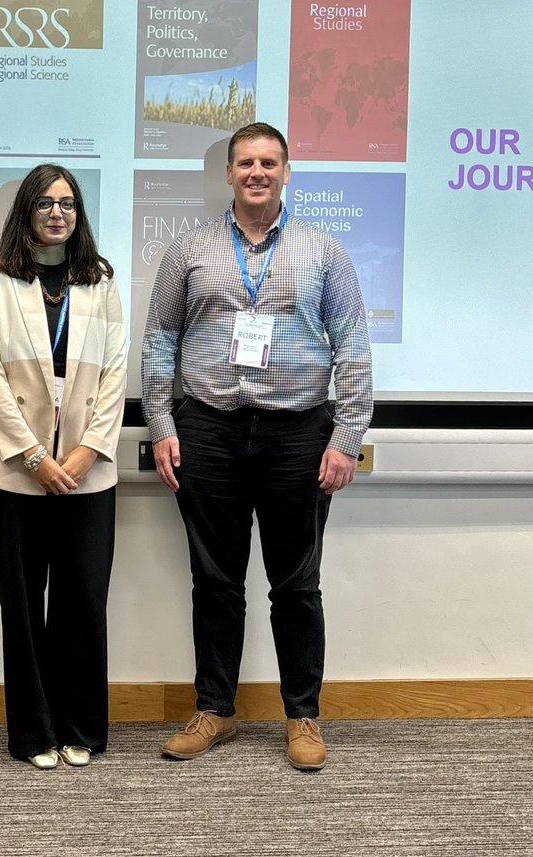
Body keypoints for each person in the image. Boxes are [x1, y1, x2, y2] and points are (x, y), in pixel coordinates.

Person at [142, 122, 373, 771]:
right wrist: (160, 423)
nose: (257, 173)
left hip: (298, 433)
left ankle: (302, 716)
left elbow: (353, 347)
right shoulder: (189, 249)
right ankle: (215, 710)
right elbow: (160, 339)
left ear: (286, 172)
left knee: (296, 585)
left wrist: (347, 437)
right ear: (229, 173)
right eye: (246, 162)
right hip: (209, 429)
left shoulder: (323, 251)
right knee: (215, 581)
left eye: (269, 162)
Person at [0, 164, 127, 769]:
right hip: (12, 469)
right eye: (46, 203)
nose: (58, 213)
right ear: (26, 211)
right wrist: (34, 456)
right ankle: (33, 733)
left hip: (87, 469)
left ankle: (80, 727)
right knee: (23, 604)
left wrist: (87, 451)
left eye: (68, 203)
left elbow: (115, 371)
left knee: (84, 598)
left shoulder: (99, 277)